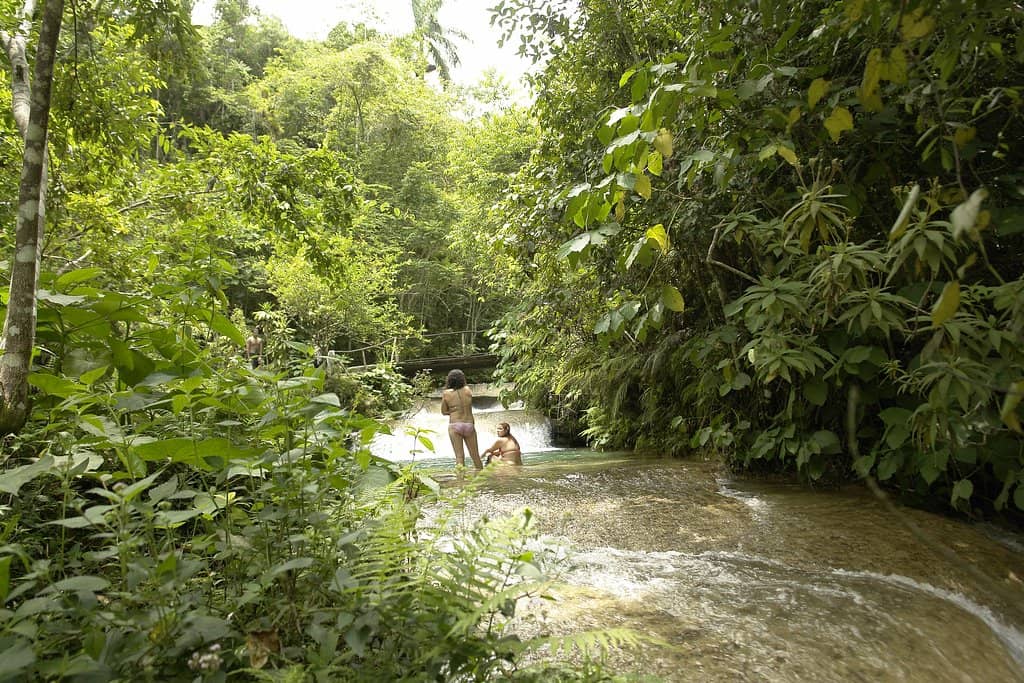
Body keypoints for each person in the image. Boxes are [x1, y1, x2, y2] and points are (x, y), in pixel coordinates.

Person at [440, 369, 483, 470]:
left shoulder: (446, 393)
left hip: (455, 425)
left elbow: (443, 411)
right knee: (475, 456)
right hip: (469, 425)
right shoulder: (468, 390)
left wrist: (454, 411)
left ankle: (461, 482)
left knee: (459, 457)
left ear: (449, 380)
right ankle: (482, 480)